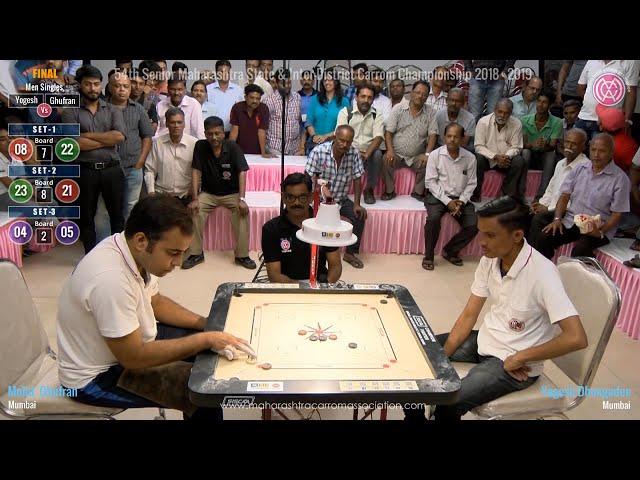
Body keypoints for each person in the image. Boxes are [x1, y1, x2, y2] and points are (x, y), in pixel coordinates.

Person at [57, 194, 253, 421]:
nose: (179, 263)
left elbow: (155, 302)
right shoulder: (110, 279)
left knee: (208, 340)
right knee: (202, 392)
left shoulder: (131, 250)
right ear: (142, 240)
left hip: (129, 343)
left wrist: (206, 325)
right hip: (95, 377)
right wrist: (205, 339)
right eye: (173, 253)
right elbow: (133, 357)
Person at [405, 196, 587, 422]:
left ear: (517, 236)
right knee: (412, 358)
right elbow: (469, 315)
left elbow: (576, 338)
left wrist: (522, 356)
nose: (481, 242)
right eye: (481, 233)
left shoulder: (543, 273)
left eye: (490, 235)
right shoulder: (490, 260)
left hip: (513, 363)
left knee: (450, 399)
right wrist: (441, 358)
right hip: (487, 341)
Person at [530, 133, 631, 259]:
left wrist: (600, 231)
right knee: (544, 237)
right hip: (572, 220)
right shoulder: (580, 168)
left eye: (602, 151)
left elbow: (617, 214)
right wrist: (557, 219)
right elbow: (565, 196)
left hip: (598, 227)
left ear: (611, 152)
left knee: (580, 250)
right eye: (593, 150)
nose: (596, 155)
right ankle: (541, 272)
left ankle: (583, 274)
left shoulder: (620, 179)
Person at [61, 65, 126, 254]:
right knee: (86, 216)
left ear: (101, 85)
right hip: (85, 170)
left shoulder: (113, 109)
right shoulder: (70, 112)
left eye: (96, 84)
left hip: (111, 169)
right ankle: (90, 255)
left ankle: (119, 255)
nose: (93, 88)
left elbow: (119, 136)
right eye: (88, 84)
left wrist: (87, 136)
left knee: (117, 216)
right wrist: (106, 140)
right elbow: (74, 143)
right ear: (80, 85)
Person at [183, 116, 256, 270]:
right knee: (194, 210)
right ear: (205, 133)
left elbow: (242, 172)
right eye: (210, 133)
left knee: (241, 211)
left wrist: (242, 198)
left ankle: (242, 255)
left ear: (224, 133)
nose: (214, 137)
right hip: (208, 194)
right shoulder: (200, 146)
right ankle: (196, 253)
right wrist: (195, 198)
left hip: (231, 194)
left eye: (217, 133)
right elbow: (196, 171)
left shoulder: (233, 147)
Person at [261, 172, 342, 283]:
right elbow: (275, 276)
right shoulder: (270, 229)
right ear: (283, 198)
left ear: (311, 198)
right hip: (288, 287)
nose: (297, 203)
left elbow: (336, 266)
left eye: (302, 197)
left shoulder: (325, 225)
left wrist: (324, 287)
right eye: (291, 197)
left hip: (320, 285)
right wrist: (304, 290)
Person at [305, 125, 367, 269]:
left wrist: (357, 204)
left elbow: (357, 178)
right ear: (335, 137)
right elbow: (308, 178)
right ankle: (311, 252)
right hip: (319, 201)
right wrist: (320, 189)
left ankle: (350, 253)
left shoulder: (353, 153)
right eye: (341, 140)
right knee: (305, 218)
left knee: (359, 214)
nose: (345, 144)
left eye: (348, 141)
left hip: (340, 200)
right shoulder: (319, 151)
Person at [423, 123, 478, 271]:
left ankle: (450, 250)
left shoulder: (470, 158)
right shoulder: (435, 155)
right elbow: (430, 182)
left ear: (462, 139)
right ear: (444, 137)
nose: (452, 140)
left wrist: (461, 201)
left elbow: (472, 183)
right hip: (438, 196)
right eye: (449, 136)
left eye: (456, 137)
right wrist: (448, 202)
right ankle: (428, 256)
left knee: (474, 225)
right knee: (433, 219)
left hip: (460, 198)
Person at [382, 80, 438, 201]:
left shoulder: (431, 112)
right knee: (386, 159)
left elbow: (433, 135)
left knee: (428, 161)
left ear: (427, 96)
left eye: (424, 94)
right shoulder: (398, 108)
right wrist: (390, 151)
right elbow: (388, 132)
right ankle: (389, 191)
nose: (420, 96)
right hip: (396, 154)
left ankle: (418, 192)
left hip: (416, 156)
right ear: (411, 93)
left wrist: (427, 154)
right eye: (417, 92)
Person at [528, 129, 591, 231]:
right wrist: (542, 204)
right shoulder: (560, 163)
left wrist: (547, 209)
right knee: (523, 213)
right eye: (567, 142)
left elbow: (575, 202)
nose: (569, 147)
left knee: (537, 219)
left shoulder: (585, 168)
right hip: (551, 208)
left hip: (566, 214)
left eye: (574, 144)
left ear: (583, 147)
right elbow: (551, 189)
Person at [336, 83, 384, 204]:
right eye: (363, 96)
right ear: (356, 97)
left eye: (369, 97)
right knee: (339, 147)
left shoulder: (376, 114)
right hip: (348, 150)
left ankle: (369, 189)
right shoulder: (346, 112)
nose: (366, 100)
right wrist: (354, 151)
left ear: (373, 100)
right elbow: (340, 135)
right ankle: (338, 190)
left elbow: (378, 137)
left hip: (368, 154)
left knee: (377, 154)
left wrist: (367, 154)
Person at [473, 98, 527, 201]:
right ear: (494, 110)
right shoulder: (483, 122)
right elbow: (478, 146)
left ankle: (506, 196)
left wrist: (505, 157)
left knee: (519, 161)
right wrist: (495, 157)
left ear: (511, 113)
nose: (502, 115)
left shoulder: (517, 124)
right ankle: (476, 194)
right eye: (500, 111)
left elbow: (517, 146)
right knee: (477, 158)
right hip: (487, 159)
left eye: (506, 113)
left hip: (506, 160)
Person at [576, 60, 640, 140]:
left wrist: (627, 120)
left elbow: (631, 91)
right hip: (584, 116)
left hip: (608, 124)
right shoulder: (591, 61)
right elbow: (580, 87)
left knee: (600, 150)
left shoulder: (630, 62)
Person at [144, 108, 198, 202]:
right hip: (161, 196)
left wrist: (194, 192)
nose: (176, 126)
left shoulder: (194, 144)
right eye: (172, 122)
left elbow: (199, 172)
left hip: (186, 196)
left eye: (179, 122)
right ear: (167, 124)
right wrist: (151, 192)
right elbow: (150, 170)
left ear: (184, 124)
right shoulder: (158, 143)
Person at [520, 89, 563, 201]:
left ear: (550, 105)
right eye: (539, 101)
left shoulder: (557, 122)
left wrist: (546, 145)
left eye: (545, 102)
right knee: (525, 152)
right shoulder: (525, 120)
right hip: (529, 155)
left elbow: (553, 146)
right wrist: (532, 144)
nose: (541, 105)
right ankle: (520, 191)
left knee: (551, 156)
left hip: (544, 155)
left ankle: (541, 194)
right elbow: (523, 144)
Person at [305, 69, 350, 155]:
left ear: (336, 82)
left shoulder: (344, 101)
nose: (327, 82)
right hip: (315, 144)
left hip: (335, 144)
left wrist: (325, 137)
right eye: (325, 80)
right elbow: (309, 121)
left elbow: (344, 126)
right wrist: (314, 136)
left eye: (330, 80)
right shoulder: (315, 99)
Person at [263, 68, 304, 156]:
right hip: (275, 149)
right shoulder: (269, 101)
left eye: (289, 83)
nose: (287, 86)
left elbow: (299, 121)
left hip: (294, 149)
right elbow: (263, 127)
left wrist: (301, 147)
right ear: (276, 83)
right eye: (283, 83)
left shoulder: (297, 98)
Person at [229, 83, 270, 156]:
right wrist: (230, 152)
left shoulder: (264, 109)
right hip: (239, 151)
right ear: (245, 97)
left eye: (258, 98)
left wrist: (263, 152)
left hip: (257, 152)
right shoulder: (237, 108)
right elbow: (234, 131)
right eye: (252, 97)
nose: (255, 101)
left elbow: (261, 131)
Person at [206, 60, 244, 135]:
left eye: (227, 72)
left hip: (233, 133)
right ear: (216, 73)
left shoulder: (238, 90)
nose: (225, 74)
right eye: (221, 72)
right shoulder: (208, 89)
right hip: (213, 133)